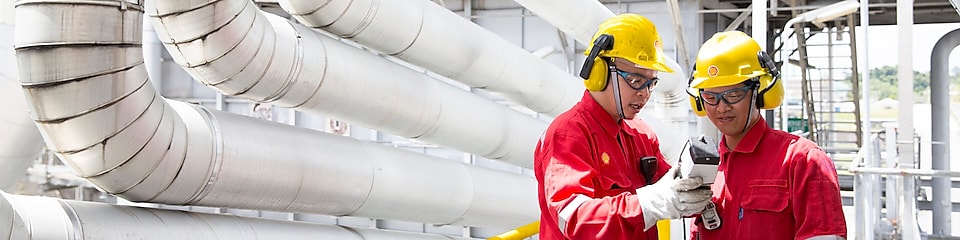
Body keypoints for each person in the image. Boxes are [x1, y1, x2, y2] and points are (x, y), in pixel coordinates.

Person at [534, 13, 713, 239]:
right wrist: (649, 204)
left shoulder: (641, 134)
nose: (645, 93)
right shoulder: (568, 134)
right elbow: (574, 219)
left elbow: (668, 189)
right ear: (599, 72)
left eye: (651, 83)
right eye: (636, 81)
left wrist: (691, 188)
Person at [686, 31, 847, 239]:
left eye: (733, 95)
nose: (721, 108)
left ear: (760, 93)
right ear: (698, 101)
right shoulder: (708, 172)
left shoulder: (803, 161)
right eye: (710, 97)